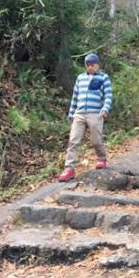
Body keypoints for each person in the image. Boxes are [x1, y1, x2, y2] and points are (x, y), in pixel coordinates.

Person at [58, 53, 113, 182]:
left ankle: (101, 158)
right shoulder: (80, 78)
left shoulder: (103, 78)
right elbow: (75, 96)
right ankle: (69, 168)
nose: (90, 67)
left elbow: (108, 95)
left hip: (95, 113)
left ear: (97, 65)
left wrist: (105, 109)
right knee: (73, 140)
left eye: (92, 64)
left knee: (96, 140)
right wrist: (71, 113)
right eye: (88, 64)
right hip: (80, 113)